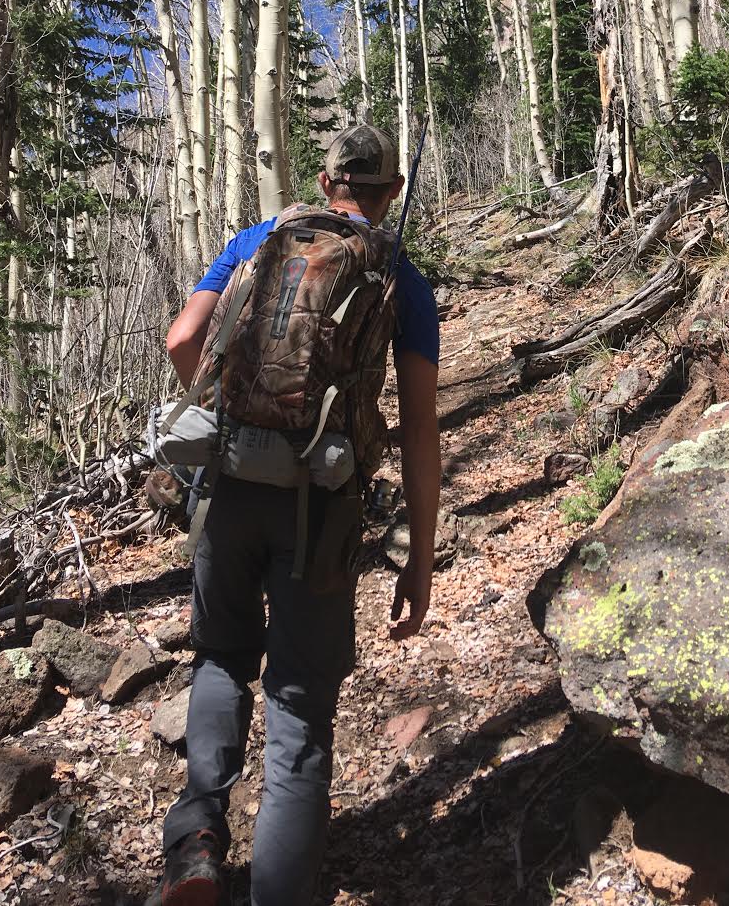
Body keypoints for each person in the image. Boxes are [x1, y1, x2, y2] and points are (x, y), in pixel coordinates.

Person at [151, 125, 440, 906]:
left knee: (219, 659)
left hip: (227, 489)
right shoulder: (398, 274)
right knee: (301, 708)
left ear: (325, 178)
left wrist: (235, 420)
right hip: (322, 504)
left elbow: (184, 338)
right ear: (387, 194)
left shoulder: (256, 238)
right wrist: (419, 552)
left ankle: (198, 846)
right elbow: (418, 428)